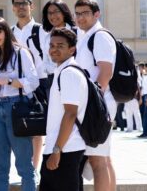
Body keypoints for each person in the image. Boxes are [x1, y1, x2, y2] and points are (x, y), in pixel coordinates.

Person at [0, 17, 39, 191]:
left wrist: (6, 81)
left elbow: (33, 82)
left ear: (6, 31)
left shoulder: (21, 52)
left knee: (24, 165)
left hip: (17, 107)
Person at [74, 0, 117, 191]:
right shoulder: (87, 36)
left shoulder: (99, 36)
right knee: (103, 158)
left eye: (85, 13)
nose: (80, 18)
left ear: (96, 14)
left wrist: (94, 105)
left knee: (97, 159)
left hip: (98, 103)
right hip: (96, 102)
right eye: (77, 13)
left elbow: (105, 73)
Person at [39, 28, 88, 191]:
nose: (54, 49)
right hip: (62, 148)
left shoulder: (69, 74)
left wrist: (57, 150)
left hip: (65, 150)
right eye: (52, 45)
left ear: (72, 49)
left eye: (60, 45)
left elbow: (70, 113)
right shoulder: (62, 71)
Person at [41, 0, 78, 88]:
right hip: (51, 80)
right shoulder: (47, 37)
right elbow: (45, 61)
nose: (53, 15)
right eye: (49, 13)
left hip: (72, 77)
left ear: (64, 12)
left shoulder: (77, 32)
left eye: (56, 11)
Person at [139, 62, 147, 138]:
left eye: (145, 67)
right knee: (146, 115)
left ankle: (145, 133)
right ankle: (145, 132)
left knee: (146, 116)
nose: (144, 69)